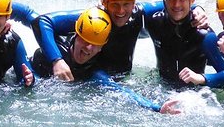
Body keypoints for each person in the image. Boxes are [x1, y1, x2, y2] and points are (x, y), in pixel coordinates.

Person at [32, 0, 209, 80]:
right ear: (104, 2)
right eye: (115, 4)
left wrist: (197, 8)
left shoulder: (138, 13)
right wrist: (57, 61)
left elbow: (173, 5)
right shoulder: (95, 17)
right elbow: (42, 21)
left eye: (126, 4)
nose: (121, 11)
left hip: (122, 80)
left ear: (134, 3)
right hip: (93, 77)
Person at [31, 7, 181, 114]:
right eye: (84, 40)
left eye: (95, 44)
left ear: (101, 48)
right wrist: (55, 61)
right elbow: (31, 17)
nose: (88, 48)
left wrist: (155, 107)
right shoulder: (54, 47)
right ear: (76, 35)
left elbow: (120, 90)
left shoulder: (93, 70)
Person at [145, 0, 224, 85]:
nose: (177, 5)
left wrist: (202, 78)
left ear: (192, 0)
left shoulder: (204, 35)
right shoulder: (155, 22)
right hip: (161, 87)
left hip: (192, 95)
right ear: (164, 1)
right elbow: (131, 13)